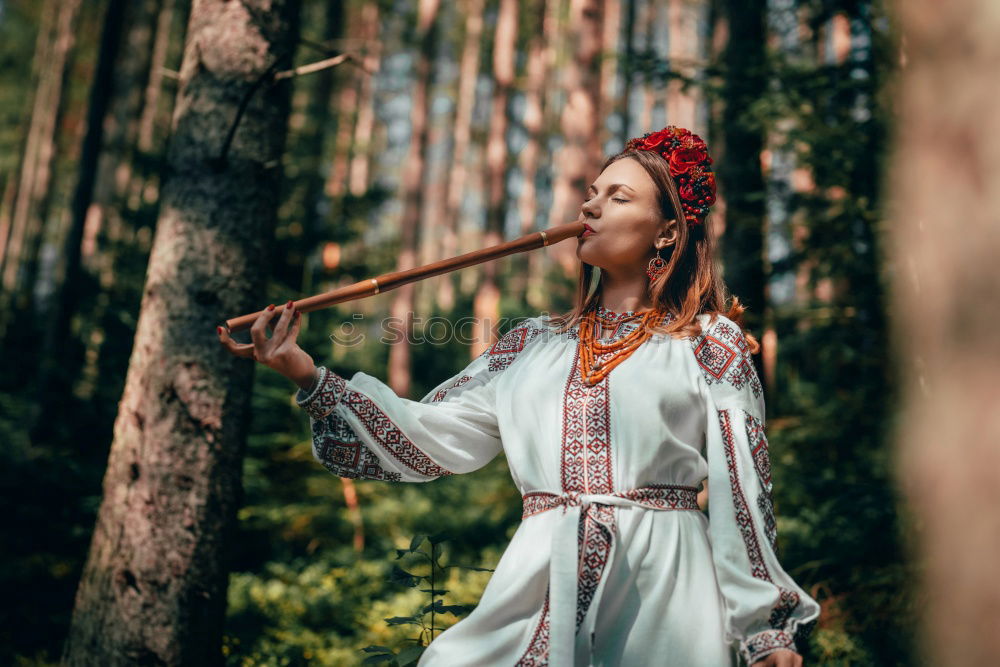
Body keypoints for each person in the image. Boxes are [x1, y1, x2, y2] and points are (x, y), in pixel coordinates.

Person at [218, 125, 819, 666]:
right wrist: (305, 372)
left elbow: (743, 490)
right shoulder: (533, 343)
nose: (590, 204)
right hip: (537, 576)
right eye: (593, 191)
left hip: (663, 594)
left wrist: (766, 629)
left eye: (619, 196)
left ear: (668, 230)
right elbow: (434, 436)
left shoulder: (708, 342)